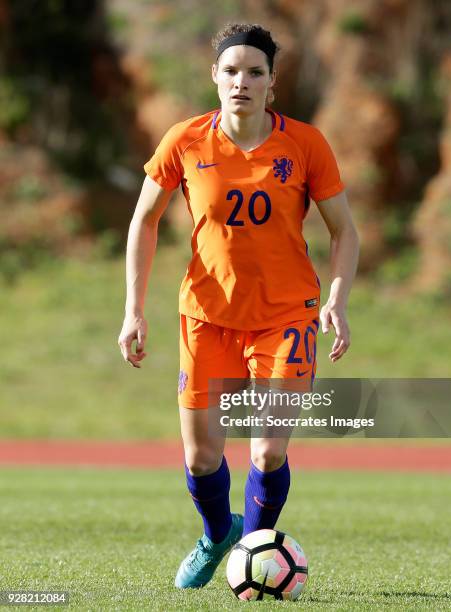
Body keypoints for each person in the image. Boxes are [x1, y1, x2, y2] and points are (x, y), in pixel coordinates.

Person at [118, 23, 359, 589]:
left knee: (268, 451)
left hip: (285, 317)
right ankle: (215, 534)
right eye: (231, 71)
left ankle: (251, 558)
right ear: (215, 77)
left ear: (272, 83)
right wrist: (133, 308)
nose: (241, 82)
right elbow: (144, 221)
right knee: (203, 461)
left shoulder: (304, 144)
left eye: (255, 72)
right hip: (206, 318)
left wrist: (338, 299)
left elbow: (344, 231)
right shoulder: (185, 140)